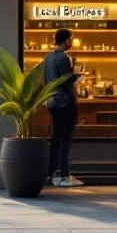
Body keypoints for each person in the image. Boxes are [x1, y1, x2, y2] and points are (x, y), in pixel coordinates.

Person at [43, 28, 82, 187]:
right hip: (65, 102)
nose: (71, 42)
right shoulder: (63, 58)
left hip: (52, 101)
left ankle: (51, 174)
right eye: (70, 39)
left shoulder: (48, 57)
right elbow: (67, 80)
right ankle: (64, 176)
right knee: (66, 139)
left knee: (55, 138)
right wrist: (77, 75)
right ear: (66, 40)